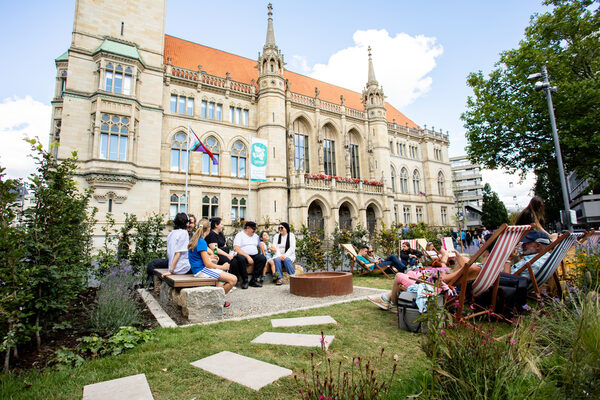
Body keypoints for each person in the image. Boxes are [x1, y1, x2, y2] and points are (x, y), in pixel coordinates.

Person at [368, 246, 481, 311]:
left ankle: (391, 303)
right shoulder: (463, 273)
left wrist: (444, 258)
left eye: (459, 259)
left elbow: (441, 279)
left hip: (434, 290)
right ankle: (386, 298)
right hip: (433, 285)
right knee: (411, 272)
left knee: (399, 276)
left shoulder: (467, 272)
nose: (456, 260)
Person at [188, 219, 237, 306]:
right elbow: (207, 264)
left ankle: (219, 299)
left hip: (198, 269)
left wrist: (210, 256)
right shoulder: (201, 241)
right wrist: (223, 267)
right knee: (233, 279)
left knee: (221, 279)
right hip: (201, 271)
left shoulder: (196, 239)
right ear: (208, 229)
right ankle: (217, 300)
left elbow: (202, 254)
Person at [232, 221, 266, 288]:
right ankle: (245, 280)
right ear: (247, 228)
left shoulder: (255, 236)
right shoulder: (240, 235)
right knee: (240, 258)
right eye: (253, 229)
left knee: (262, 258)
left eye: (255, 229)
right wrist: (247, 256)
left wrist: (264, 243)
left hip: (254, 255)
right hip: (243, 255)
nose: (254, 230)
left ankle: (253, 280)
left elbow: (261, 245)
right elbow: (236, 248)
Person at [161, 212, 192, 278]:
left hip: (173, 267)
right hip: (182, 268)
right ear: (186, 223)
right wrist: (170, 271)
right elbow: (178, 253)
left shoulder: (171, 233)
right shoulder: (184, 233)